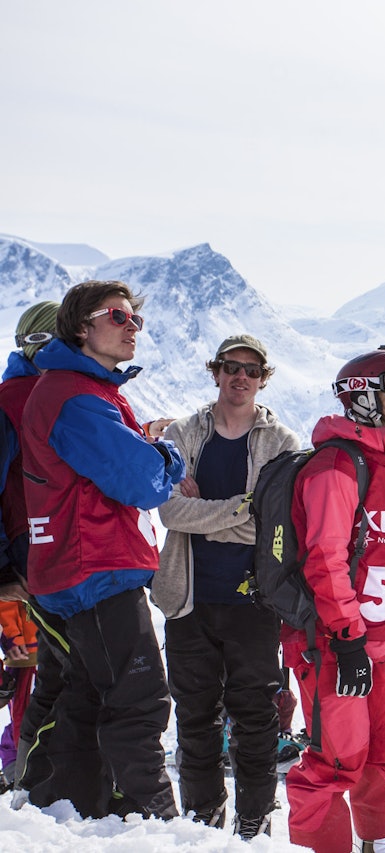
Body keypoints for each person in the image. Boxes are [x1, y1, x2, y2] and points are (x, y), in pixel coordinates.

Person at [20, 281, 184, 819]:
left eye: (136, 318)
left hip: (74, 564)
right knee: (140, 700)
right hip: (96, 566)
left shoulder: (84, 390)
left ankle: (67, 811)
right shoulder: (77, 397)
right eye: (117, 316)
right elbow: (141, 481)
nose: (131, 325)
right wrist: (167, 455)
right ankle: (151, 819)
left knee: (86, 697)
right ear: (81, 327)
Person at [282, 346, 385, 853]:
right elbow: (325, 558)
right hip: (335, 642)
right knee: (336, 758)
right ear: (365, 397)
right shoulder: (336, 466)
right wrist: (347, 640)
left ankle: (381, 842)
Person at [151, 334, 300, 836]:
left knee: (256, 720)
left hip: (254, 602)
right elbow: (170, 509)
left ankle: (253, 825)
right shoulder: (182, 433)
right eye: (231, 367)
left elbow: (275, 524)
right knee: (195, 720)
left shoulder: (282, 443)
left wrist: (207, 511)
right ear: (215, 372)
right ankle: (202, 822)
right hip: (188, 598)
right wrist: (242, 505)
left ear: (263, 379)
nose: (241, 377)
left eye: (251, 370)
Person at [0, 301, 59, 791]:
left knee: (33, 665)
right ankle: (23, 772)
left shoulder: (41, 391)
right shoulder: (15, 400)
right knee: (31, 666)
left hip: (38, 548)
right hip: (27, 553)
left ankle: (23, 765)